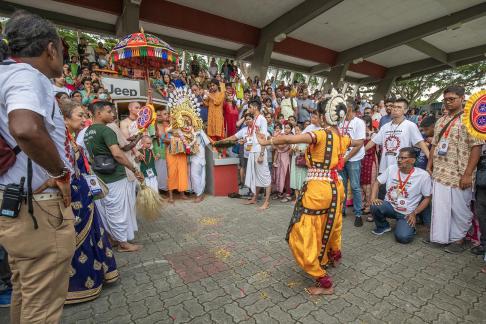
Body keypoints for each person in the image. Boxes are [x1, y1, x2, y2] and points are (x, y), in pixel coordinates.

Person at [0, 11, 75, 323]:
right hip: (37, 209)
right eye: (61, 49)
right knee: (42, 306)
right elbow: (26, 128)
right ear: (50, 49)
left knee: (27, 291)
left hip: (15, 202)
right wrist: (60, 173)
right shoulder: (27, 76)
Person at [256, 95, 357, 295]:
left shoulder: (319, 135)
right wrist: (343, 159)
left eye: (316, 114)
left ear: (322, 116)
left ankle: (322, 278)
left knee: (303, 231)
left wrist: (267, 141)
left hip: (318, 189)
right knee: (331, 223)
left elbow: (287, 138)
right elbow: (361, 142)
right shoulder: (343, 137)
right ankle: (329, 257)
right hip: (336, 188)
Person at [59, 100, 119, 303]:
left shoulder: (72, 139)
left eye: (85, 115)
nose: (84, 119)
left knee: (92, 236)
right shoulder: (59, 141)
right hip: (73, 197)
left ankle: (98, 276)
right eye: (79, 115)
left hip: (84, 195)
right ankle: (77, 287)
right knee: (78, 241)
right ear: (65, 119)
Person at [427, 85, 484, 252]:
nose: (448, 102)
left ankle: (458, 239)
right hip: (440, 172)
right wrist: (429, 165)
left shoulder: (470, 120)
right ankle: (441, 237)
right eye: (445, 100)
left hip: (460, 173)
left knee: (460, 209)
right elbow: (435, 144)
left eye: (452, 99)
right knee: (441, 207)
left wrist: (467, 174)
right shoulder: (441, 120)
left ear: (462, 98)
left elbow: (477, 147)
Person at [84, 101, 144, 252]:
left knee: (107, 210)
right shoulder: (106, 130)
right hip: (115, 176)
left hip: (99, 177)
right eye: (109, 112)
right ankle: (123, 244)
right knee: (118, 211)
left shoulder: (88, 132)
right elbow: (118, 154)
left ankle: (112, 239)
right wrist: (134, 168)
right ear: (98, 114)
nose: (113, 114)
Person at [218, 99, 272, 210]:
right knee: (256, 176)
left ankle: (266, 202)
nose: (248, 109)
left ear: (255, 107)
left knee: (265, 176)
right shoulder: (254, 120)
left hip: (259, 151)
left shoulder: (262, 119)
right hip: (252, 151)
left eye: (250, 107)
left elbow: (264, 138)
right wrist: (245, 141)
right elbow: (253, 137)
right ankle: (254, 198)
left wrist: (262, 153)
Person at [370, 148, 432, 244]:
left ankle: (410, 228)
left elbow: (427, 198)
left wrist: (414, 213)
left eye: (403, 158)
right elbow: (377, 182)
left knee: (403, 238)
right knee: (374, 205)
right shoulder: (392, 168)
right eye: (398, 157)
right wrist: (373, 198)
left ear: (413, 160)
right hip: (390, 206)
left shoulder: (423, 175)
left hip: (407, 213)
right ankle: (383, 226)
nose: (399, 160)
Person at [365, 98, 429, 175]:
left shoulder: (410, 125)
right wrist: (361, 151)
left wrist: (431, 162)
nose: (395, 109)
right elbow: (373, 141)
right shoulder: (385, 127)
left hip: (402, 168)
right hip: (385, 168)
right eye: (394, 107)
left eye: (399, 107)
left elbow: (421, 143)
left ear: (405, 110)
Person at [338, 101, 365, 226]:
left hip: (353, 159)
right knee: (341, 186)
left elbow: (359, 143)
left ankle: (358, 213)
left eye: (347, 110)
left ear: (353, 110)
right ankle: (341, 210)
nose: (344, 112)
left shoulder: (359, 122)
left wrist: (346, 158)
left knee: (355, 186)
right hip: (341, 159)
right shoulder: (340, 121)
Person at [360, 115, 378, 219]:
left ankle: (370, 206)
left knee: (370, 182)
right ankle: (363, 204)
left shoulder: (374, 134)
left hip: (370, 159)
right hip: (361, 159)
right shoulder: (359, 134)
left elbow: (375, 149)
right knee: (361, 182)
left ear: (367, 123)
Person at [190, 128, 212, 203]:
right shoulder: (187, 130)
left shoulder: (200, 131)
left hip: (200, 156)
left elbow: (207, 142)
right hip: (192, 156)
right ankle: (199, 193)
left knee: (198, 176)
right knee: (195, 176)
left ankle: (199, 195)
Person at [272, 123, 293, 202]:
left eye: (288, 128)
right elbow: (274, 147)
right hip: (279, 157)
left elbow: (281, 146)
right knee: (279, 175)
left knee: (286, 175)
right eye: (285, 127)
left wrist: (275, 141)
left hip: (286, 158)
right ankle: (280, 192)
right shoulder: (282, 135)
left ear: (291, 129)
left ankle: (288, 194)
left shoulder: (291, 137)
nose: (286, 129)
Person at [290, 124, 308, 203]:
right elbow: (290, 153)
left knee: (302, 179)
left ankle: (302, 198)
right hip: (294, 161)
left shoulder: (305, 141)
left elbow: (307, 152)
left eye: (298, 130)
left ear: (302, 131)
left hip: (302, 162)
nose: (297, 132)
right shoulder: (293, 140)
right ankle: (297, 198)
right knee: (295, 179)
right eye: (295, 130)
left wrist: (299, 151)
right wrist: (293, 149)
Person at [155, 109, 170, 192]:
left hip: (169, 151)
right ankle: (159, 190)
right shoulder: (153, 126)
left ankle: (167, 189)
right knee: (160, 172)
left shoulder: (167, 125)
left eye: (161, 115)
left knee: (166, 172)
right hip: (159, 151)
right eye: (159, 115)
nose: (160, 117)